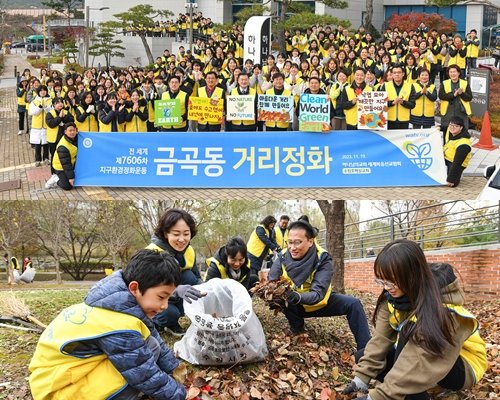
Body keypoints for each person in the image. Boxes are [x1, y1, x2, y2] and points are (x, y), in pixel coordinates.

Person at [29, 249, 187, 400]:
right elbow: (142, 372)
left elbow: (152, 334)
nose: (165, 306)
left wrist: (175, 370)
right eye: (161, 297)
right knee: (147, 352)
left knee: (150, 344)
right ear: (134, 288)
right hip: (58, 391)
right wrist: (179, 394)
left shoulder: (115, 304)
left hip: (59, 377)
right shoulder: (119, 325)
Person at [342, 240, 487, 400]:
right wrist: (361, 379)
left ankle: (412, 393)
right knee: (363, 354)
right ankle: (412, 390)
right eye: (381, 281)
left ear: (411, 276)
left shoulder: (444, 309)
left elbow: (417, 360)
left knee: (408, 339)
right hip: (421, 354)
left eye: (391, 281)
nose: (386, 287)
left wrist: (378, 397)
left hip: (461, 365)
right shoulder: (391, 298)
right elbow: (380, 340)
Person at [268, 220, 371, 351]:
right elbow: (272, 280)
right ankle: (298, 330)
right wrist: (271, 292)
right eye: (290, 242)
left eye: (298, 242)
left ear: (310, 241)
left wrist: (298, 296)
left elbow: (318, 294)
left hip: (320, 302)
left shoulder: (322, 258)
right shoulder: (282, 256)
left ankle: (366, 351)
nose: (292, 247)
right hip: (294, 305)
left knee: (353, 303)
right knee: (282, 298)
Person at [145, 208, 205, 336]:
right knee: (170, 314)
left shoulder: (189, 251)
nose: (182, 239)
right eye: (176, 234)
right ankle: (157, 322)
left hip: (173, 296)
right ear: (166, 233)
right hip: (154, 298)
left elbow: (196, 276)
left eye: (186, 233)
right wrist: (177, 290)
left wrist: (205, 288)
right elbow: (148, 289)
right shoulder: (152, 253)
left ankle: (173, 315)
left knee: (189, 276)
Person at [438, 64, 472, 132]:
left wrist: (461, 93)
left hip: (461, 112)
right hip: (447, 112)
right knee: (447, 132)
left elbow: (469, 97)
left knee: (462, 132)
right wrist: (453, 95)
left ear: (458, 73)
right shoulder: (444, 83)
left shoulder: (465, 83)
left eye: (454, 72)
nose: (453, 74)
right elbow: (441, 96)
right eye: (451, 72)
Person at [45, 122, 78, 190]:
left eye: (74, 130)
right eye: (70, 130)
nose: (72, 132)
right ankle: (55, 178)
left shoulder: (76, 138)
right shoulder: (63, 146)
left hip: (72, 163)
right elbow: (66, 164)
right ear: (65, 132)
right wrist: (70, 178)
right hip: (60, 166)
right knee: (67, 186)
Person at [382, 64, 416, 129]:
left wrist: (403, 102)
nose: (397, 74)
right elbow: (380, 103)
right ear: (391, 74)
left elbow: (413, 104)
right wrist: (392, 103)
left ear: (403, 74)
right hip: (388, 119)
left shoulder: (410, 86)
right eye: (394, 73)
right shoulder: (385, 86)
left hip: (404, 120)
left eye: (399, 72)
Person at [443, 116, 471, 187]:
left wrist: (451, 179)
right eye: (451, 125)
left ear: (461, 128)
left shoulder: (464, 144)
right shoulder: (452, 133)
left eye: (456, 126)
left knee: (453, 184)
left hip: (455, 164)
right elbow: (446, 127)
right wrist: (439, 127)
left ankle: (455, 176)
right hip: (447, 159)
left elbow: (457, 163)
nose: (452, 127)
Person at [28, 85, 52, 167]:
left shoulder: (50, 100)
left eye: (44, 90)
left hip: (46, 125)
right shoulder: (34, 101)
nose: (43, 92)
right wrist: (39, 108)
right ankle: (37, 159)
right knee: (37, 144)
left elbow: (51, 112)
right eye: (41, 90)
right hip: (37, 126)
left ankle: (46, 158)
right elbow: (31, 112)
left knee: (46, 143)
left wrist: (45, 107)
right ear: (38, 92)